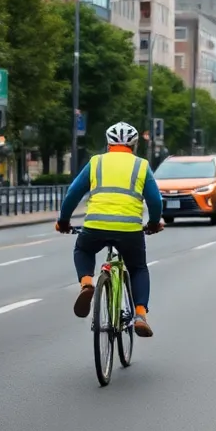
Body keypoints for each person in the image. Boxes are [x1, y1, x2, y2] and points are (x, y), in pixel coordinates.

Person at [55, 121, 165, 337]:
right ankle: (140, 315)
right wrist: (153, 223)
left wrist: (63, 221)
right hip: (130, 230)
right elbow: (155, 201)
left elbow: (73, 193)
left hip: (95, 226)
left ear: (108, 144)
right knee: (138, 268)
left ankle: (87, 283)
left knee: (83, 250)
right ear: (134, 145)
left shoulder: (96, 162)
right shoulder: (141, 166)